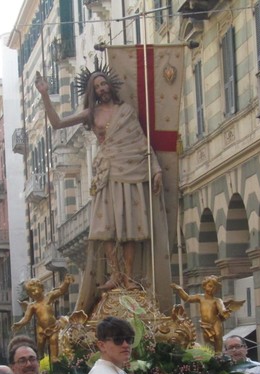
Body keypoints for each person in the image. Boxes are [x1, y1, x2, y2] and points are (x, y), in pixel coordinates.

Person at [35, 67, 173, 312]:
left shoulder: (126, 111)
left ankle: (129, 277)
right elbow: (57, 124)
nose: (102, 88)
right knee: (106, 227)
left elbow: (142, 142)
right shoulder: (91, 113)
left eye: (103, 84)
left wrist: (156, 169)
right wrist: (45, 94)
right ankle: (116, 274)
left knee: (131, 226)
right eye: (97, 86)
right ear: (93, 91)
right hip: (106, 172)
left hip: (131, 169)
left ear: (110, 85)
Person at [171, 276, 243, 354]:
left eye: (214, 287)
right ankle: (209, 354)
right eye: (210, 286)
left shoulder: (217, 300)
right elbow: (187, 298)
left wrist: (225, 312)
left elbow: (222, 309)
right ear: (204, 286)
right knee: (207, 340)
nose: (211, 289)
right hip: (205, 324)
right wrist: (179, 290)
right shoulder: (200, 297)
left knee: (218, 337)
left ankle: (219, 353)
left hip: (216, 322)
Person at [12, 275, 74, 361]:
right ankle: (40, 356)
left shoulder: (48, 297)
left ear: (42, 288)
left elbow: (60, 291)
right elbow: (26, 318)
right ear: (29, 294)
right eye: (32, 292)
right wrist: (20, 323)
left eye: (37, 289)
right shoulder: (32, 306)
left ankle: (54, 357)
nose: (35, 292)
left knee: (53, 340)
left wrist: (66, 283)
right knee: (40, 342)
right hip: (41, 328)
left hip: (53, 326)